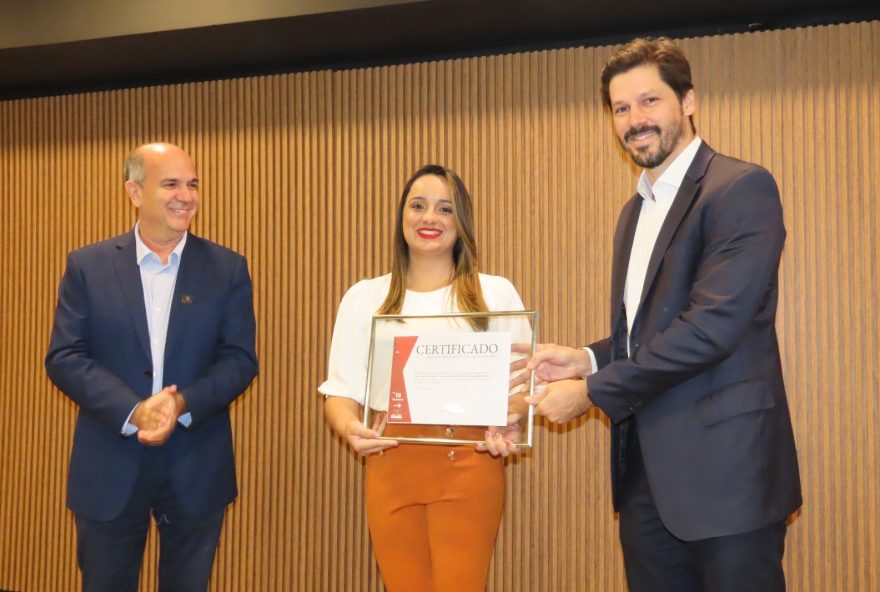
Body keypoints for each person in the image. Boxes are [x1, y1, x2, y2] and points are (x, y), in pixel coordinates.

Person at [519, 38, 802, 591]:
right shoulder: (634, 211)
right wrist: (585, 358)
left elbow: (711, 328)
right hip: (647, 482)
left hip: (729, 480)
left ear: (688, 101)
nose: (634, 120)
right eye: (621, 109)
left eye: (650, 101)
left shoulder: (740, 188)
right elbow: (647, 332)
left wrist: (592, 391)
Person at [45, 143, 258, 591]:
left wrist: (180, 401)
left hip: (196, 461)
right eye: (172, 184)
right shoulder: (88, 266)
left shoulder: (227, 268)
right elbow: (65, 356)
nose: (187, 195)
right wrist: (133, 409)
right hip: (109, 459)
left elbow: (239, 360)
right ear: (135, 192)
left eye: (193, 183)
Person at [320, 164, 526, 592]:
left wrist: (511, 420)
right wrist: (350, 428)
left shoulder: (495, 295)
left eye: (444, 209)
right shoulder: (364, 298)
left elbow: (522, 388)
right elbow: (340, 394)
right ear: (402, 217)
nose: (429, 218)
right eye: (418, 206)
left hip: (471, 463)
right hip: (390, 463)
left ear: (461, 222)